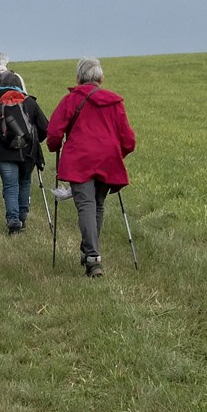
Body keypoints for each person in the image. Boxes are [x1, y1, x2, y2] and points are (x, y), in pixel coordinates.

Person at [45, 58, 136, 277]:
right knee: (97, 205)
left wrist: (54, 146)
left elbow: (54, 133)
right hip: (107, 160)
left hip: (80, 160)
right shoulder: (114, 102)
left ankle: (92, 257)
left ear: (78, 77)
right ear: (101, 78)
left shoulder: (71, 100)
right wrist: (116, 154)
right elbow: (129, 141)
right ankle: (89, 252)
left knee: (86, 205)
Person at [0, 57, 47, 236]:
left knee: (10, 186)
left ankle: (13, 221)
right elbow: (45, 127)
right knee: (25, 182)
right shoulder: (30, 102)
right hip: (28, 153)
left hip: (4, 154)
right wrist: (34, 141)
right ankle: (22, 216)